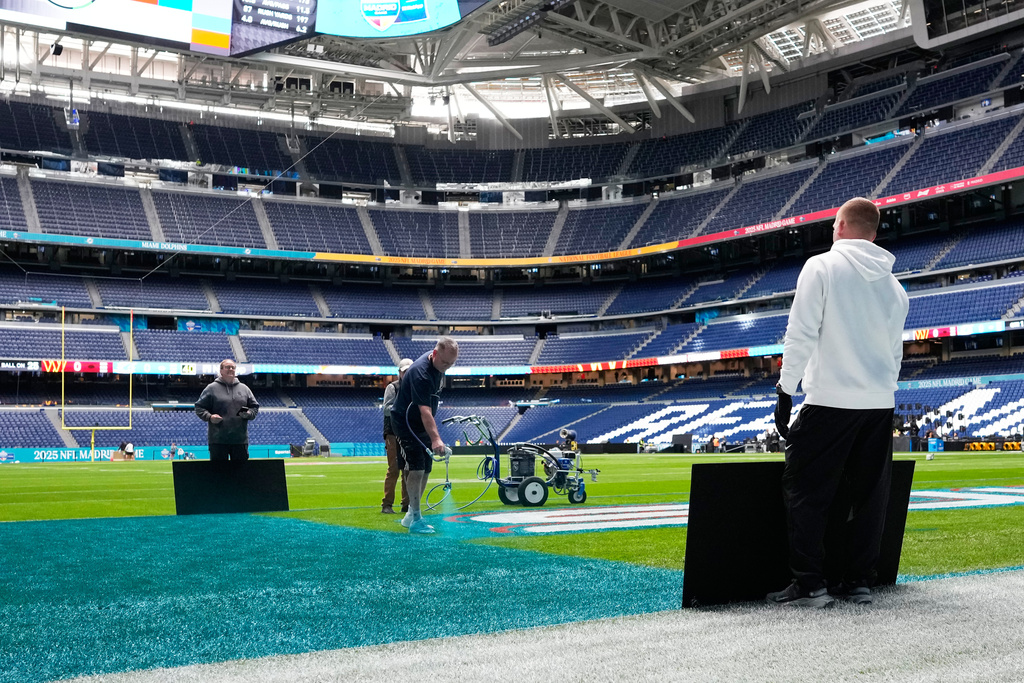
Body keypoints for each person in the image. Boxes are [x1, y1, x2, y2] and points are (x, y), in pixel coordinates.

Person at [769, 197, 909, 608]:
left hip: (829, 399)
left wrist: (785, 390)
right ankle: (860, 581)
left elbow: (801, 332)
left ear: (843, 226)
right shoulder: (895, 287)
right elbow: (896, 353)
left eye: (834, 224)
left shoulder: (822, 266)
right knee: (869, 495)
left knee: (805, 488)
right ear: (873, 232)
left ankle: (811, 584)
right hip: (879, 403)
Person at [391, 337, 459, 534]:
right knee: (416, 467)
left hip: (420, 422)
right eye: (445, 362)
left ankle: (411, 514)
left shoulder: (437, 367)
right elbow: (425, 411)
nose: (447, 367)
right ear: (435, 354)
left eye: (451, 364)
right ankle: (416, 518)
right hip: (406, 422)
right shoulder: (422, 374)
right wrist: (436, 439)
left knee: (426, 467)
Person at [194, 359, 260, 461]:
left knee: (240, 474)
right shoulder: (211, 388)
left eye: (233, 367)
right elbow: (199, 407)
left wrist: (249, 413)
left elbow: (254, 407)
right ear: (221, 371)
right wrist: (210, 417)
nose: (231, 369)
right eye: (227, 367)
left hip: (240, 440)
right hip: (218, 440)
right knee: (219, 474)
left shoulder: (245, 389)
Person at [381, 358, 413, 515]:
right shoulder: (392, 387)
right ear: (400, 372)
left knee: (407, 470)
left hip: (407, 433)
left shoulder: (415, 388)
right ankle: (387, 504)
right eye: (404, 371)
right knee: (394, 468)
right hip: (393, 432)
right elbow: (386, 409)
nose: (406, 374)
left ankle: (406, 504)